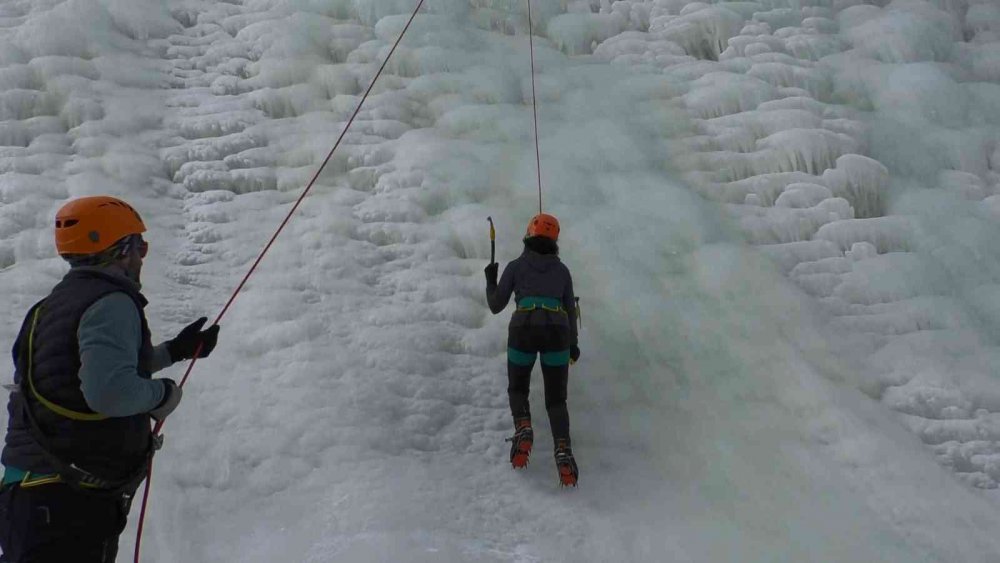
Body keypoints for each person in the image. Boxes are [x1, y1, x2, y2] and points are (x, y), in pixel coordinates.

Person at [0, 196, 220, 562]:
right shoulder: (111, 302)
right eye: (140, 246)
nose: (142, 257)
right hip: (67, 505)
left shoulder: (53, 305)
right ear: (121, 249)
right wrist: (163, 394)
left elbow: (74, 377)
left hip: (34, 498)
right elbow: (110, 392)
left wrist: (174, 351)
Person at [485, 213, 580, 486]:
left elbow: (496, 305)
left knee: (518, 389)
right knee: (556, 400)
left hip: (523, 328)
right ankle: (563, 449)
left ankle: (523, 426)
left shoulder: (516, 266)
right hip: (557, 331)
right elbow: (570, 310)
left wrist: (491, 280)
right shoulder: (563, 271)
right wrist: (573, 345)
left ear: (528, 234)